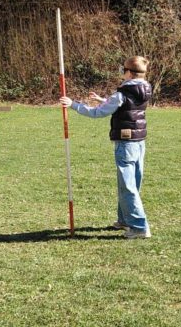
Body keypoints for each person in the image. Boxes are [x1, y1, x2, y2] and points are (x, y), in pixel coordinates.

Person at [59, 55, 152, 238]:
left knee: (127, 186)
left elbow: (97, 113)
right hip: (139, 142)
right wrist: (103, 99)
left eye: (123, 70)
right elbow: (126, 107)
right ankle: (125, 220)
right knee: (132, 183)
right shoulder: (145, 88)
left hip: (125, 144)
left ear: (128, 73)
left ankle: (139, 227)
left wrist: (74, 105)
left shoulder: (121, 94)